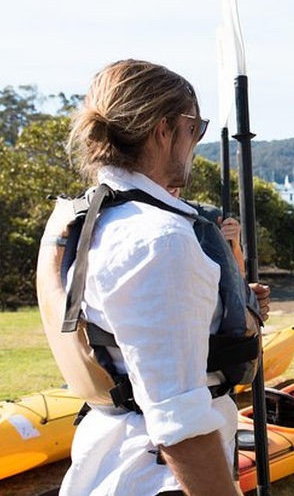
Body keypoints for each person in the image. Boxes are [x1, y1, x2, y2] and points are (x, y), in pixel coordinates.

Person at [39, 59, 245, 496]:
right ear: (164, 130)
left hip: (114, 454)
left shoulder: (95, 218)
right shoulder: (160, 240)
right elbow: (180, 423)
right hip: (156, 475)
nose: (197, 141)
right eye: (196, 127)